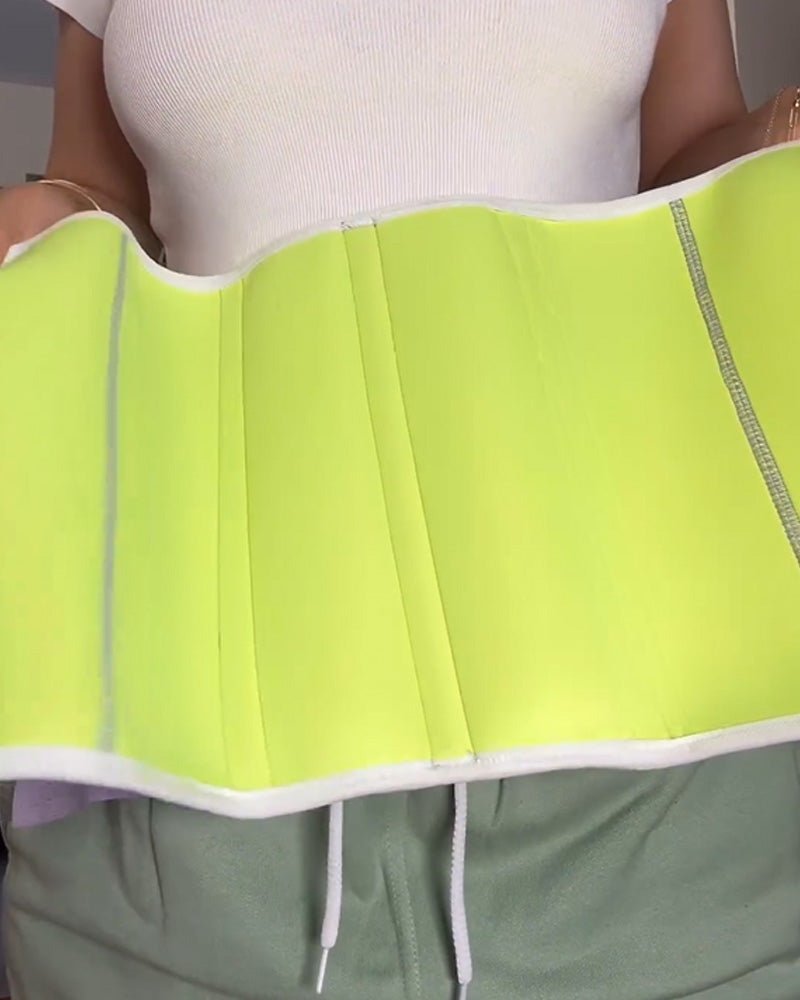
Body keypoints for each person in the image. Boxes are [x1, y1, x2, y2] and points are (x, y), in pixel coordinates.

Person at [0, 2, 799, 998]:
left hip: (622, 704)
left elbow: (687, 160)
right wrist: (47, 220)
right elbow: (95, 191)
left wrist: (778, 138)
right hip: (210, 706)